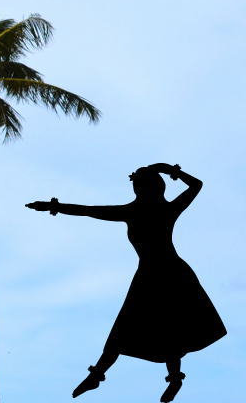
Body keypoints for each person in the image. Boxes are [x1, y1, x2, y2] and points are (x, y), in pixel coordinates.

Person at [27, 163, 225, 402]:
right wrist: (169, 170)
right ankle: (110, 375)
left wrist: (54, 206)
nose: (135, 188)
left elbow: (88, 210)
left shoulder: (139, 211)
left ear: (142, 188)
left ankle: (153, 378)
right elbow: (89, 210)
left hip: (163, 274)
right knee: (163, 327)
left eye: (137, 184)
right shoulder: (160, 209)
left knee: (157, 327)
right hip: (164, 273)